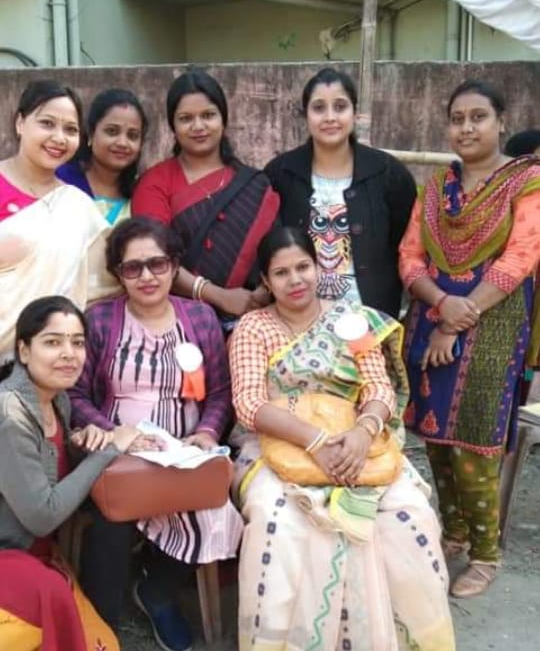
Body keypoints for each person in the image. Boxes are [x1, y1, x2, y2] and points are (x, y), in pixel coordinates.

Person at [228, 227, 459, 651]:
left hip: (359, 446)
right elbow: (248, 404)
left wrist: (361, 432)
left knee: (408, 516)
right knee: (278, 522)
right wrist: (315, 441)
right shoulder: (253, 328)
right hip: (278, 446)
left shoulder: (351, 321)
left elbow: (378, 387)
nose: (295, 280)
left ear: (319, 267)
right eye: (281, 272)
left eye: (303, 267)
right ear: (265, 280)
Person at [68, 216, 244, 651]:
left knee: (216, 510)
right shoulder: (100, 320)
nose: (146, 276)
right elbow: (76, 395)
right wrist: (114, 434)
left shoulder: (200, 318)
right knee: (110, 522)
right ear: (118, 273)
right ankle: (102, 644)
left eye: (157, 264)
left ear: (174, 265)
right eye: (133, 268)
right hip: (118, 453)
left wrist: (206, 432)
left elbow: (220, 392)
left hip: (184, 451)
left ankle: (158, 591)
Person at [399, 79, 540, 598]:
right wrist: (441, 304)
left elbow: (522, 256)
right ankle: (454, 532)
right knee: (435, 437)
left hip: (494, 325)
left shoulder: (527, 182)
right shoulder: (436, 188)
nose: (466, 128)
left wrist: (457, 317)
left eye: (478, 117)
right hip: (431, 316)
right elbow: (409, 257)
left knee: (476, 442)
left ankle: (485, 554)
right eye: (457, 119)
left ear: (501, 121)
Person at [0, 296, 147, 651]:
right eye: (52, 342)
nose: (68, 353)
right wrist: (109, 449)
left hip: (33, 552)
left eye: (77, 342)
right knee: (50, 594)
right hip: (10, 552)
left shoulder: (56, 400)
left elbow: (51, 467)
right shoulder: (9, 414)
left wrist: (83, 442)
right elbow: (43, 515)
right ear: (24, 350)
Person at [132, 68, 279, 327]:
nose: (198, 126)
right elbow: (152, 259)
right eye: (186, 118)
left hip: (252, 322)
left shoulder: (254, 184)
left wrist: (263, 292)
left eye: (208, 115)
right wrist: (219, 296)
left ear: (223, 120)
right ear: (173, 126)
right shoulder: (155, 183)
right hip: (178, 324)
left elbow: (279, 250)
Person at [264, 67, 417, 318]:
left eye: (340, 106)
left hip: (370, 320)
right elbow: (267, 246)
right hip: (297, 322)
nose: (330, 117)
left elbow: (406, 247)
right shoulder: (280, 174)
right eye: (319, 108)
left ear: (355, 113)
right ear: (306, 115)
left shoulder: (389, 174)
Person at [0, 80, 118, 365]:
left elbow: (102, 287)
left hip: (43, 366)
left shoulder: (78, 207)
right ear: (20, 123)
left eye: (71, 129)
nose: (59, 138)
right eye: (47, 124)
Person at [57, 88, 148, 224]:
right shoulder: (61, 182)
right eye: (112, 131)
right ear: (91, 134)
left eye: (132, 135)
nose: (122, 143)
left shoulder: (142, 194)